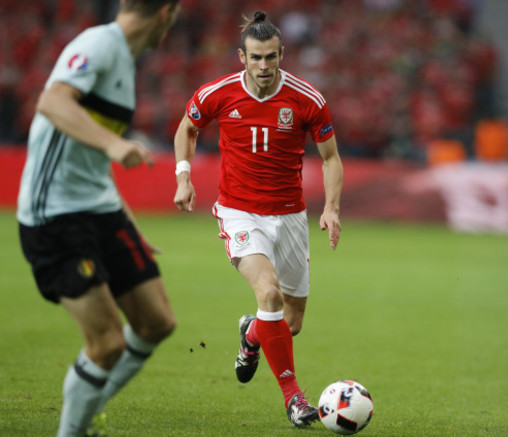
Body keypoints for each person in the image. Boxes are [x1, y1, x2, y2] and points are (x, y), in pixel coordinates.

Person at [16, 1, 181, 436]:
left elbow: (88, 157)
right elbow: (52, 102)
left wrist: (128, 222)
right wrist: (113, 144)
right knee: (107, 342)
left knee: (156, 322)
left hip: (100, 208)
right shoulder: (99, 44)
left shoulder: (125, 61)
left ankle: (86, 408)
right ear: (166, 12)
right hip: (55, 215)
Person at [173, 10, 343, 428]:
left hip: (289, 218)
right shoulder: (219, 93)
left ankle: (251, 335)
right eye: (255, 58)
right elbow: (186, 130)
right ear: (241, 56)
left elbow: (331, 157)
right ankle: (295, 399)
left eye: (270, 57)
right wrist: (183, 177)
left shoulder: (308, 99)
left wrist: (332, 208)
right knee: (269, 294)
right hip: (239, 212)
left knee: (291, 322)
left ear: (282, 54)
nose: (263, 66)